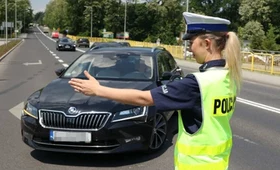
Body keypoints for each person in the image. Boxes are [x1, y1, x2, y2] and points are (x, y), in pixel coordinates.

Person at [69, 12, 242, 170]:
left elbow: (144, 98)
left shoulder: (196, 84)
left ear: (207, 43)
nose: (190, 49)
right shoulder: (228, 76)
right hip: (218, 163)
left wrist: (98, 90)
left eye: (191, 43)